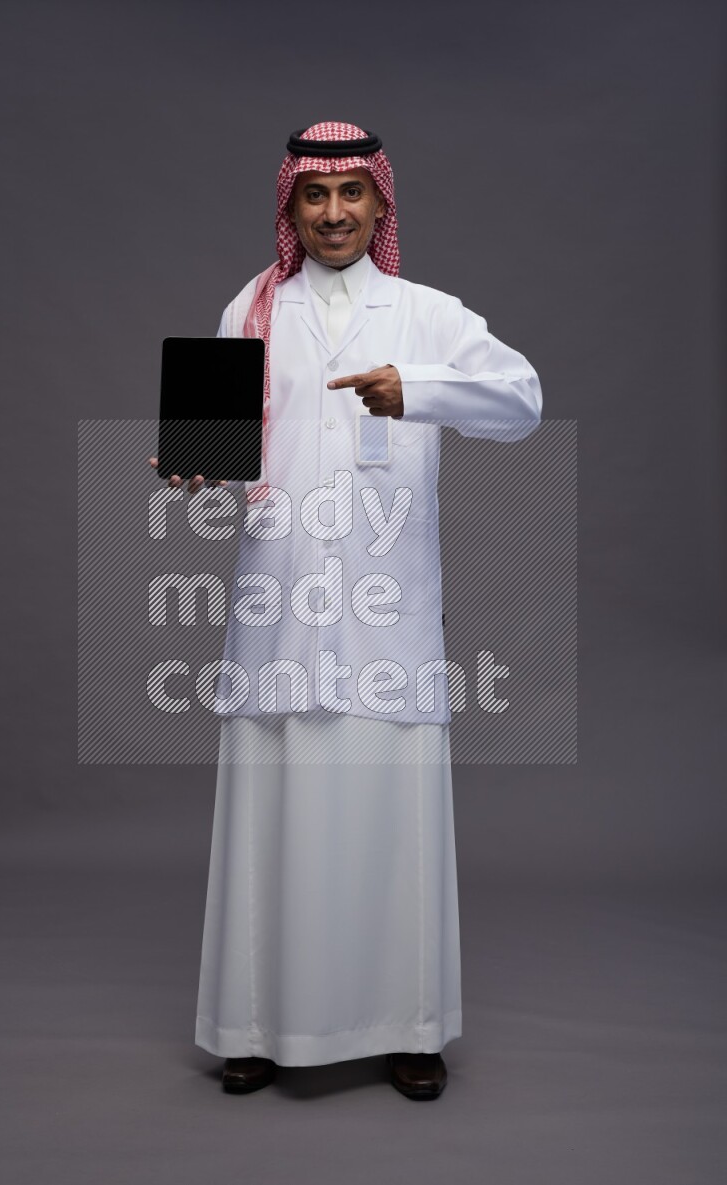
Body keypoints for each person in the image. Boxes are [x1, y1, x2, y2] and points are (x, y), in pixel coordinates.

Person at [150, 121, 542, 1099]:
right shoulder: (252, 309)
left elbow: (521, 399)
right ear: (289, 207)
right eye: (312, 197)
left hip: (383, 617)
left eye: (350, 195)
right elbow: (222, 463)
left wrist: (416, 388)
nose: (332, 214)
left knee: (389, 820)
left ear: (379, 205)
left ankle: (407, 1028)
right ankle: (251, 1023)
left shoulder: (423, 313)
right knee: (270, 816)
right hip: (278, 608)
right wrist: (196, 469)